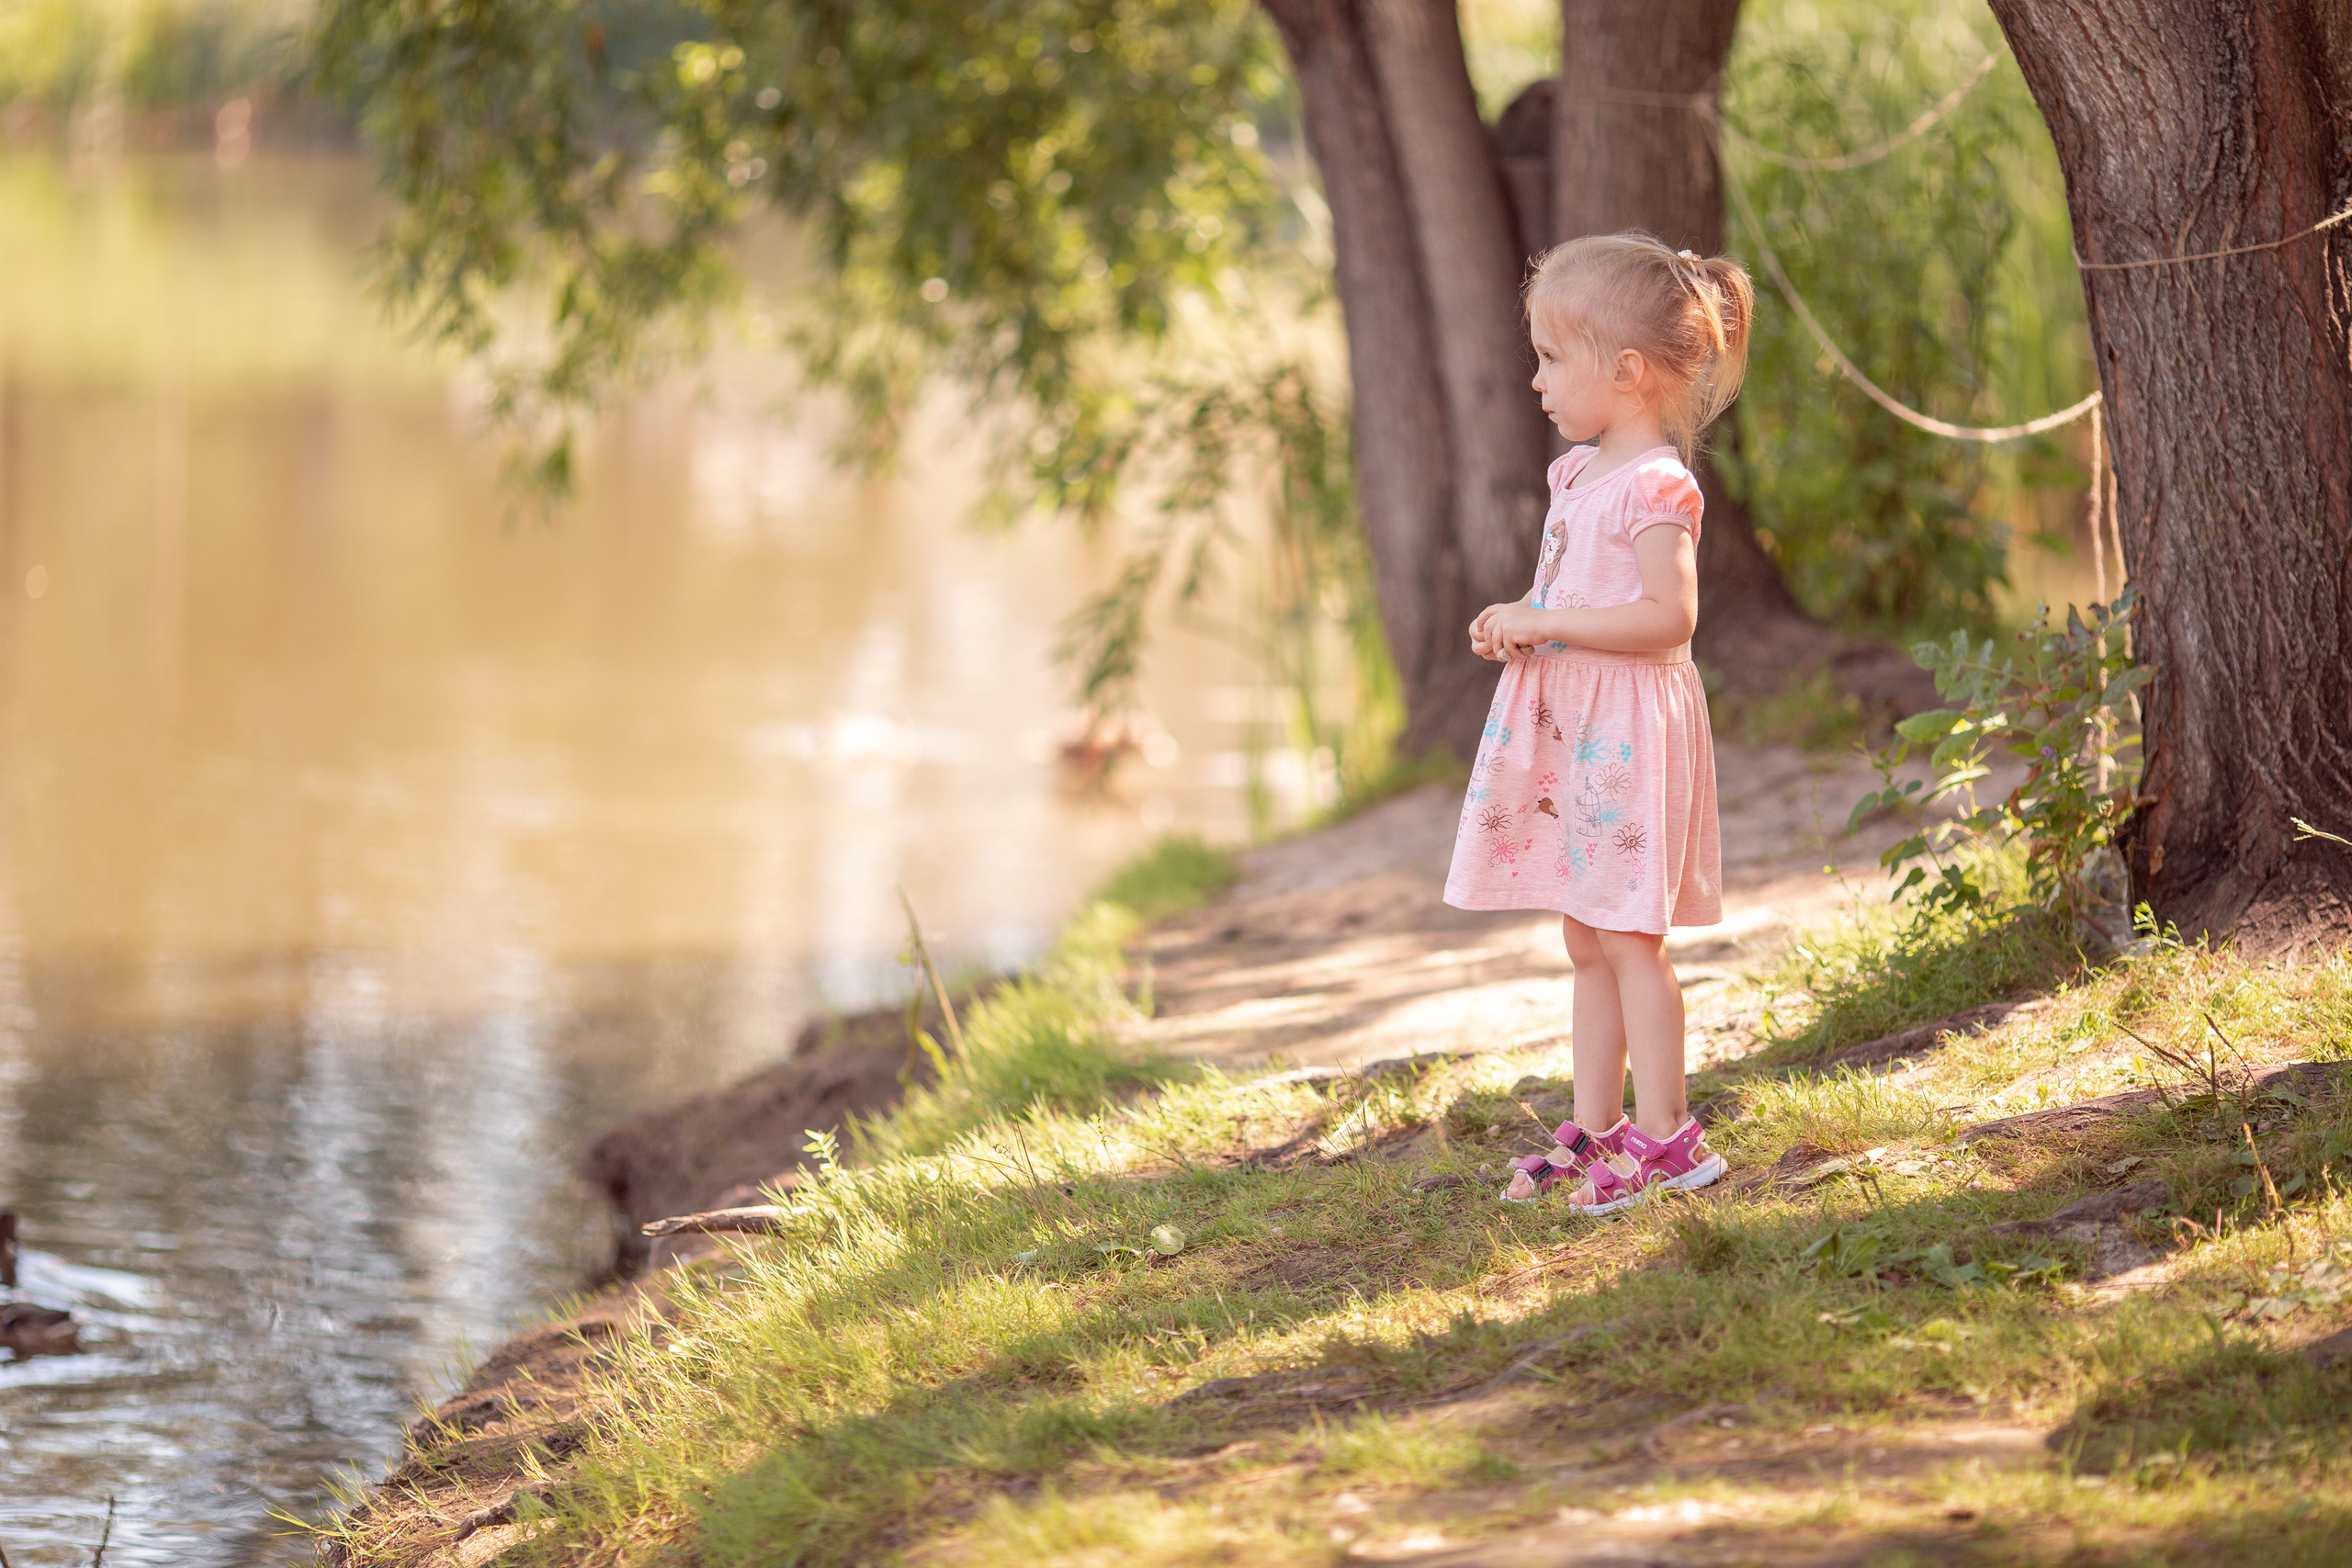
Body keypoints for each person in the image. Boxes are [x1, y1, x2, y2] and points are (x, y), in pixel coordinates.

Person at [1444, 231, 1752, 1214]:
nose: (1533, 380)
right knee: (1584, 935)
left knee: (1629, 938)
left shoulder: (1660, 486)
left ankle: (1670, 1139)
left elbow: (1670, 620)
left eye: (1549, 358)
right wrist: (1521, 627)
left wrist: (1552, 621)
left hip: (1631, 729)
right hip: (1577, 724)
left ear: (1623, 374)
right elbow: (1567, 592)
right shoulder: (1574, 478)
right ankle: (1600, 1127)